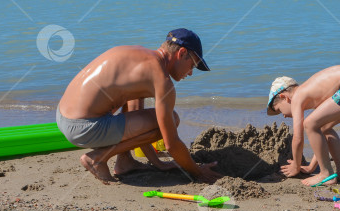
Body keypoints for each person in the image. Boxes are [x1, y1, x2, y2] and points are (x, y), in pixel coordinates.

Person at [56, 28, 221, 184]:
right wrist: (198, 172)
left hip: (63, 117)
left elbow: (135, 116)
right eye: (192, 65)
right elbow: (171, 143)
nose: (191, 72)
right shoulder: (162, 81)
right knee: (173, 119)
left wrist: (158, 163)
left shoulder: (140, 56)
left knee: (145, 113)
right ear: (182, 53)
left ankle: (124, 161)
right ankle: (97, 158)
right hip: (84, 128)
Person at [266, 65, 340, 186]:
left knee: (309, 123)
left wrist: (296, 166)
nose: (282, 115)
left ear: (284, 97)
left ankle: (326, 174)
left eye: (278, 110)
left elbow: (298, 138)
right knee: (324, 127)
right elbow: (321, 140)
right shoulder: (315, 93)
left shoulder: (297, 96)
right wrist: (311, 167)